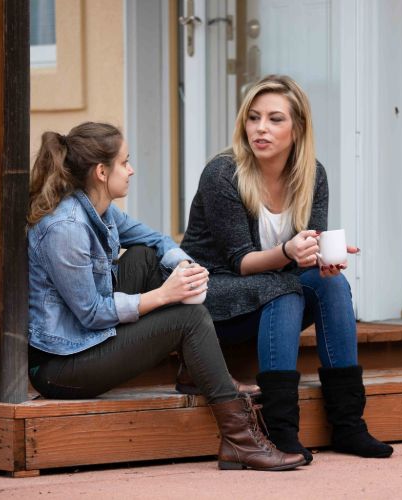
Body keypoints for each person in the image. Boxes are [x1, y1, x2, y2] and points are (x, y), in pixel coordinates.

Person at [26, 121, 305, 471]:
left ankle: (195, 370)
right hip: (61, 365)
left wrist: (185, 265)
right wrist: (163, 295)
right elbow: (92, 314)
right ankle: (240, 439)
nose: (131, 170)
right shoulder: (66, 228)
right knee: (188, 319)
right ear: (101, 171)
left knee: (144, 253)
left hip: (87, 340)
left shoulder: (99, 208)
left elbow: (156, 240)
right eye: (124, 162)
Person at [181, 75, 393, 463]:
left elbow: (305, 250)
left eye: (275, 119)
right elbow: (241, 263)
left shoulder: (313, 175)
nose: (261, 128)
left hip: (272, 289)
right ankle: (281, 430)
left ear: (297, 129)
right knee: (284, 287)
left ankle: (348, 425)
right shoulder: (222, 173)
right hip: (210, 293)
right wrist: (291, 253)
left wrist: (322, 259)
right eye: (254, 118)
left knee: (331, 285)